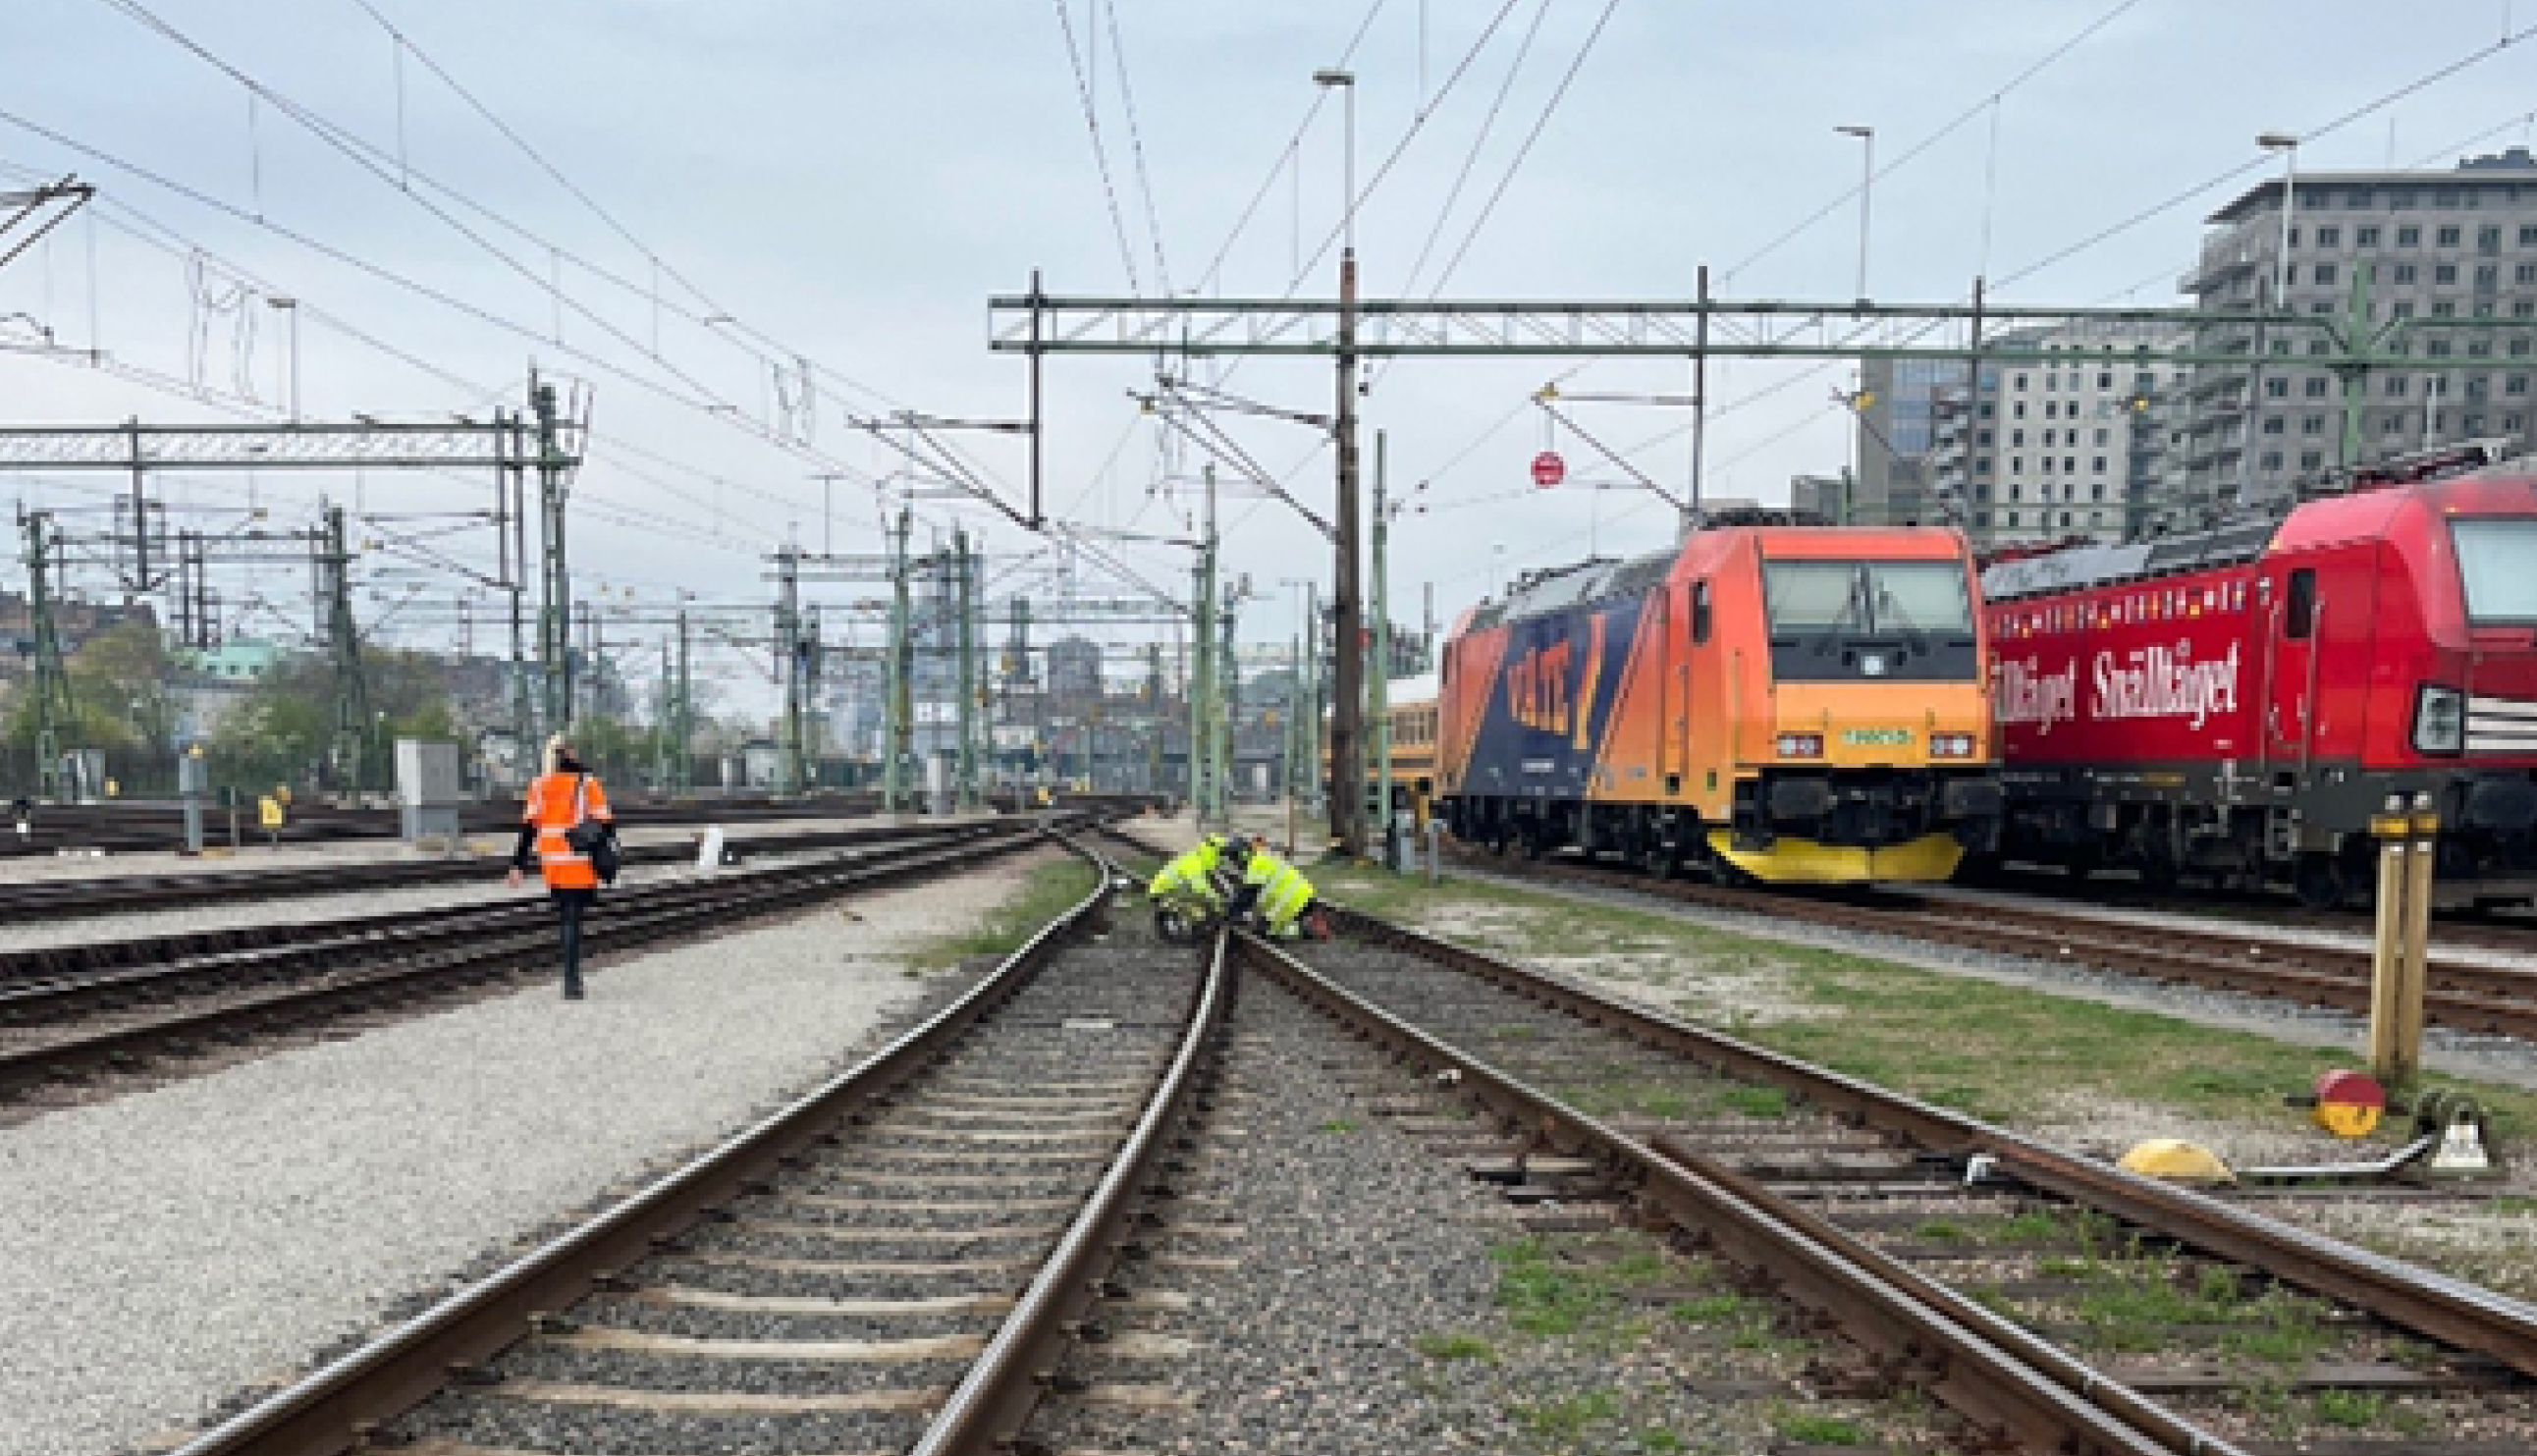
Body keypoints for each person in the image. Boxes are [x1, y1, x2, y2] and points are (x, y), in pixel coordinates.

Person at [507, 734, 617, 999]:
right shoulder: (587, 782)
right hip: (579, 863)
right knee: (574, 920)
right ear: (569, 753)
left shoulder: (539, 784)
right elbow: (606, 824)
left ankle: (570, 979)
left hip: (552, 863)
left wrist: (517, 864)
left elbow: (529, 827)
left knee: (566, 918)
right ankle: (572, 981)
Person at [1229, 834, 1322, 940]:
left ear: (1242, 856)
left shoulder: (1256, 865)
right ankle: (1300, 922)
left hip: (1295, 903)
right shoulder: (1264, 858)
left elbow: (1248, 895)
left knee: (1265, 932)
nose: (1235, 865)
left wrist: (1231, 913)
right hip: (1305, 896)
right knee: (1260, 920)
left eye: (1235, 860)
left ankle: (1303, 931)